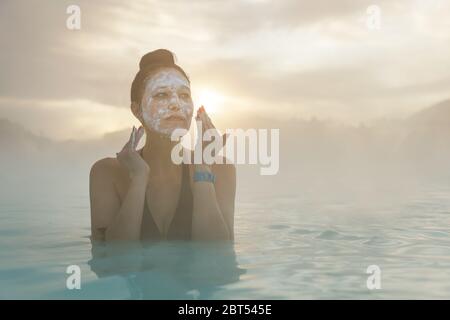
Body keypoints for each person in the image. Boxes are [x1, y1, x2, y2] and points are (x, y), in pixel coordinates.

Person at [89, 49, 236, 242]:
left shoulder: (220, 169)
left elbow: (216, 258)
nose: (175, 104)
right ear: (136, 110)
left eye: (184, 95)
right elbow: (114, 262)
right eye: (161, 95)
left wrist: (202, 168)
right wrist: (139, 180)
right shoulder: (107, 173)